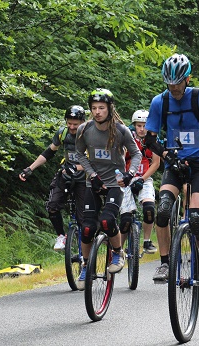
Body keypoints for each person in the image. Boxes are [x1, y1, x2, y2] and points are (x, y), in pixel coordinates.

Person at [144, 53, 199, 288]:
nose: (173, 88)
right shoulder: (159, 102)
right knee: (162, 211)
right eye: (169, 83)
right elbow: (150, 140)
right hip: (174, 163)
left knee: (195, 218)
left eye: (178, 83)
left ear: (188, 79)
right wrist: (165, 154)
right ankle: (164, 263)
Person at [74, 88, 142, 290]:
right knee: (87, 228)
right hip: (93, 182)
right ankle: (85, 266)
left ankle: (118, 252)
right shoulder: (84, 130)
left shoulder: (121, 131)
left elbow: (136, 154)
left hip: (115, 183)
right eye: (94, 108)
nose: (97, 112)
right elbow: (79, 154)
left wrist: (130, 174)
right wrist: (92, 175)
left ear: (110, 109)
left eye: (101, 108)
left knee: (107, 220)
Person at [19, 105, 87, 251]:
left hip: (84, 178)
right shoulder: (63, 133)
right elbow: (49, 152)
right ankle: (61, 236)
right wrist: (30, 168)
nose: (72, 127)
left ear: (83, 122)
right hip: (66, 175)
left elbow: (96, 162)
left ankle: (88, 252)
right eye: (69, 123)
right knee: (52, 206)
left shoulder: (90, 135)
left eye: (75, 124)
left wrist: (77, 167)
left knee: (83, 219)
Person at [118, 110, 160, 254]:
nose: (142, 129)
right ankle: (119, 249)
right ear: (134, 125)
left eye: (145, 126)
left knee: (149, 209)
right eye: (139, 126)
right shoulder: (127, 138)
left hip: (144, 178)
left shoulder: (153, 140)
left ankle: (147, 241)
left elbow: (156, 163)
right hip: (127, 178)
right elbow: (121, 158)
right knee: (126, 219)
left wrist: (142, 179)